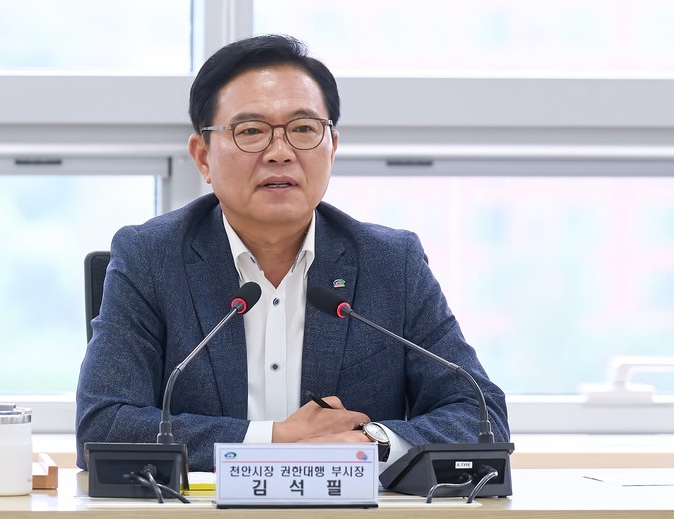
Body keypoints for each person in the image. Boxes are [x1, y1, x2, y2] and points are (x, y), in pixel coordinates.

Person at [75, 34, 510, 473]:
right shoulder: (151, 258)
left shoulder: (390, 264)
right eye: (251, 131)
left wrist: (370, 443)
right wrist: (277, 439)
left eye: (303, 129)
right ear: (203, 157)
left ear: (332, 147)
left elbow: (482, 416)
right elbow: (103, 427)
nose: (280, 153)